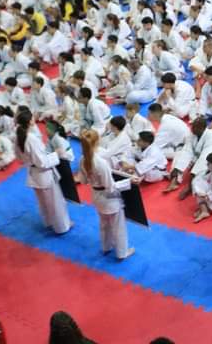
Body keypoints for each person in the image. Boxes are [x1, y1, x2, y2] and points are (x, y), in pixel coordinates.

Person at [78, 129, 134, 260]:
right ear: (97, 142)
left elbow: (83, 180)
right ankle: (122, 253)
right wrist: (129, 181)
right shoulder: (100, 163)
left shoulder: (83, 159)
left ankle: (106, 247)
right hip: (109, 198)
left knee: (104, 223)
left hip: (96, 196)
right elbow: (110, 187)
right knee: (118, 225)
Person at [14, 109, 72, 234]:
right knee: (55, 202)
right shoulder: (31, 139)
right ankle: (62, 227)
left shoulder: (18, 136)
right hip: (43, 174)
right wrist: (56, 154)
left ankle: (49, 222)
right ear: (30, 121)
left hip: (33, 173)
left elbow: (19, 157)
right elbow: (42, 162)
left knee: (43, 202)